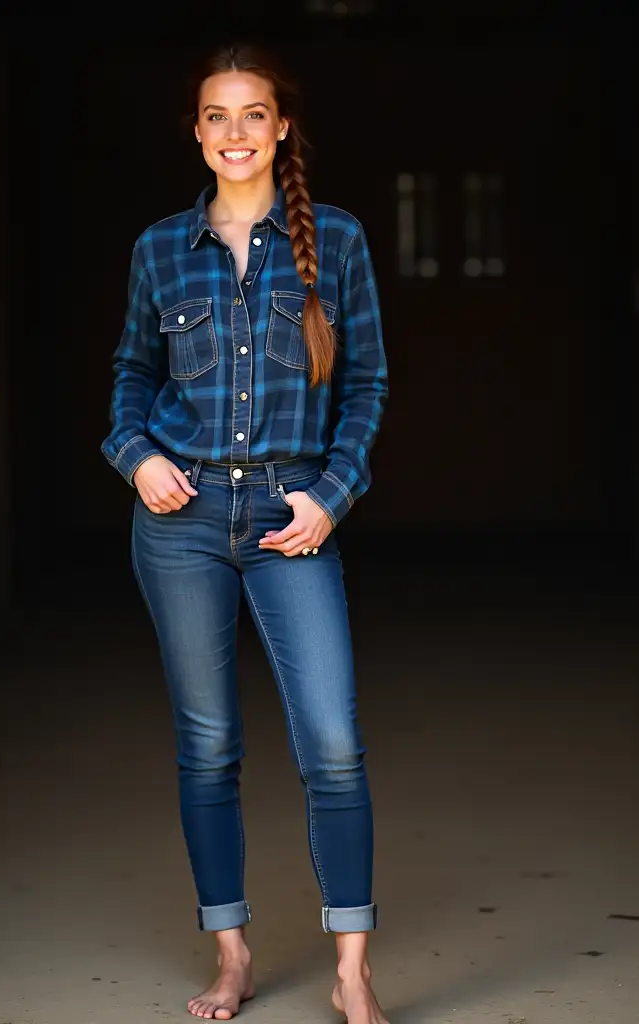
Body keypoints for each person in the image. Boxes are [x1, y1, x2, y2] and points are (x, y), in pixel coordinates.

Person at [101, 42, 390, 1023]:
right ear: (195, 131)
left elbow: (366, 387)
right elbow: (130, 378)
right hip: (177, 523)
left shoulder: (336, 242)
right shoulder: (156, 250)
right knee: (210, 743)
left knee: (333, 742)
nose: (234, 132)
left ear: (281, 128)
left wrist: (331, 495)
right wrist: (134, 453)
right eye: (215, 115)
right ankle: (232, 954)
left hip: (291, 516)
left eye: (252, 114)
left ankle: (352, 968)